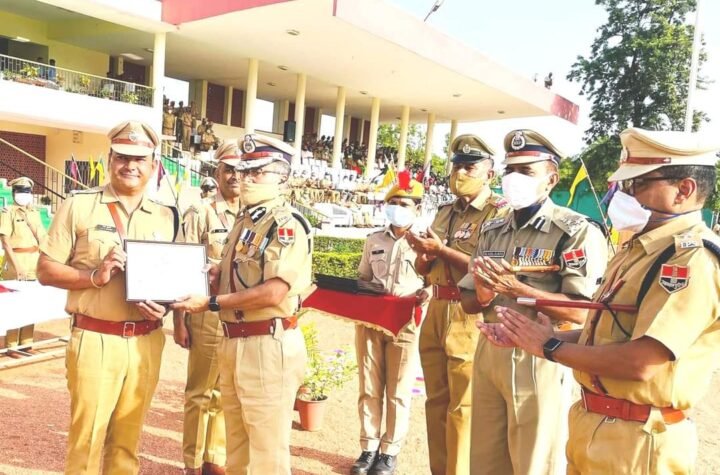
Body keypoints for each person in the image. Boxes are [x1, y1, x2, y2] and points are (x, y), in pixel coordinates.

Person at [478, 127, 720, 474]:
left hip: (638, 439)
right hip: (597, 424)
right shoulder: (640, 249)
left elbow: (641, 362)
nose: (624, 194)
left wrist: (550, 347)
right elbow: (605, 332)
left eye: (637, 183)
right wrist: (536, 336)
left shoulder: (690, 259)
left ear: (684, 190)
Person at [458, 129, 607, 475]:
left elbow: (580, 312)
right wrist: (483, 293)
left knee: (534, 463)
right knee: (485, 461)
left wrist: (515, 289)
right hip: (490, 350)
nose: (515, 179)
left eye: (526, 171)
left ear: (551, 179)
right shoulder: (493, 229)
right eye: (510, 170)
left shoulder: (574, 231)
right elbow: (469, 302)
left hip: (539, 355)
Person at [36, 121, 179, 473]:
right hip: (96, 337)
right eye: (122, 157)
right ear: (110, 159)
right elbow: (45, 270)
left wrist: (164, 305)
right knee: (87, 439)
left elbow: (173, 278)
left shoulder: (167, 215)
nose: (130, 166)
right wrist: (93, 276)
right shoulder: (79, 205)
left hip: (146, 341)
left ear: (153, 165)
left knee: (128, 443)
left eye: (140, 159)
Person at [171, 134, 313, 474]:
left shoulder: (285, 225)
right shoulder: (247, 220)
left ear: (281, 176)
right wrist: (218, 275)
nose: (245, 179)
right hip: (235, 340)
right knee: (236, 449)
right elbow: (242, 275)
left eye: (256, 172)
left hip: (267, 344)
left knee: (266, 454)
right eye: (243, 170)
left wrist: (212, 301)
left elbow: (273, 292)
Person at [405, 134, 508, 475]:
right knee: (436, 402)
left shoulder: (498, 214)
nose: (459, 174)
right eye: (456, 167)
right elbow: (426, 268)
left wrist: (442, 251)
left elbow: (489, 269)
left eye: (469, 168)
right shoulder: (445, 211)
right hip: (437, 307)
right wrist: (423, 255)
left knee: (464, 407)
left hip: (468, 313)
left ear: (489, 174)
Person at [351, 177, 430, 475]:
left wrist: (427, 294)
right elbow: (363, 277)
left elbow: (434, 282)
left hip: (405, 324)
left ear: (417, 208)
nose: (397, 208)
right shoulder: (374, 240)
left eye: (404, 204)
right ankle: (368, 447)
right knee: (369, 386)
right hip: (372, 321)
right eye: (392, 203)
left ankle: (389, 452)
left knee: (398, 390)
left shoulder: (426, 242)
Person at [174, 141, 243, 475]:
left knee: (226, 392)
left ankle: (214, 459)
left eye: (241, 170)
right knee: (199, 394)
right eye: (228, 169)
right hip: (206, 315)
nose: (235, 176)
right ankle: (192, 463)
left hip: (239, 316)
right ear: (218, 172)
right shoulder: (201, 212)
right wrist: (179, 321)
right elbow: (183, 267)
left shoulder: (253, 216)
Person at [0, 177, 46, 354]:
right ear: (13, 193)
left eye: (26, 192)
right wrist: (17, 267)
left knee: (30, 304)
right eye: (20, 191)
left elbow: (42, 238)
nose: (23, 195)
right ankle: (12, 346)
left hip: (33, 263)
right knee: (15, 305)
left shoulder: (34, 213)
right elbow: (6, 242)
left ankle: (26, 343)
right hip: (15, 263)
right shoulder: (8, 212)